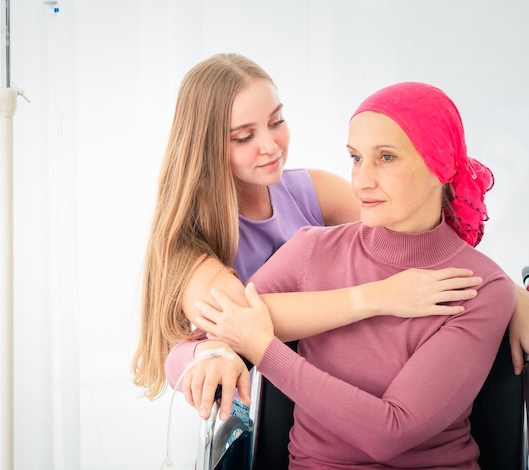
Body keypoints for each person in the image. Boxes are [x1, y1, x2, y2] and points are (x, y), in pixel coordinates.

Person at [184, 82, 519, 468]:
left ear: (439, 165)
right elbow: (221, 322)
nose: (361, 180)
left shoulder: (480, 288)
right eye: (356, 158)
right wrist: (216, 352)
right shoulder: (312, 249)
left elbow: (390, 432)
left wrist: (266, 350)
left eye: (387, 158)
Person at [131, 54, 484, 411]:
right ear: (206, 148)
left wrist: (510, 299)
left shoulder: (309, 190)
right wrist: (381, 295)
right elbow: (242, 319)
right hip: (262, 412)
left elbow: (417, 230)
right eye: (243, 137)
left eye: (276, 122)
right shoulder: (189, 245)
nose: (269, 146)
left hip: (344, 389)